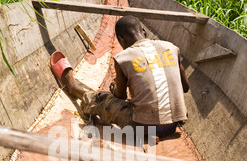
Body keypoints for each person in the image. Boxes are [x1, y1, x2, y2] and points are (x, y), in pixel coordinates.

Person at [51, 15, 189, 138]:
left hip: (142, 127)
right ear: (144, 32)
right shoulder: (171, 48)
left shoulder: (123, 58)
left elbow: (120, 96)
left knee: (103, 99)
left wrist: (114, 88)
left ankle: (74, 88)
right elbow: (185, 87)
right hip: (173, 125)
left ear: (121, 39)